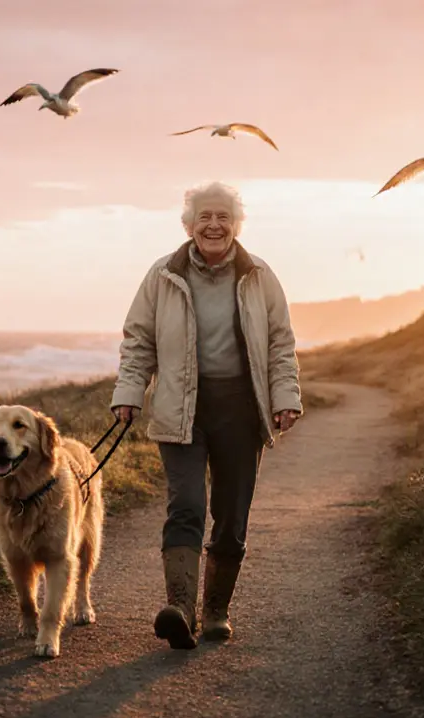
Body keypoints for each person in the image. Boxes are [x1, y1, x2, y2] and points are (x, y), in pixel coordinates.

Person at [111, 180, 303, 650]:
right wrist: (129, 391)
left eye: (223, 217)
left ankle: (216, 610)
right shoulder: (163, 274)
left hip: (240, 407)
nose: (213, 225)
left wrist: (285, 396)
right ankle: (181, 607)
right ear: (190, 225)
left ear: (236, 225)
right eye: (205, 217)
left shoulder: (259, 274)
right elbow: (139, 339)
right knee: (187, 504)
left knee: (232, 515)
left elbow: (280, 342)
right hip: (182, 406)